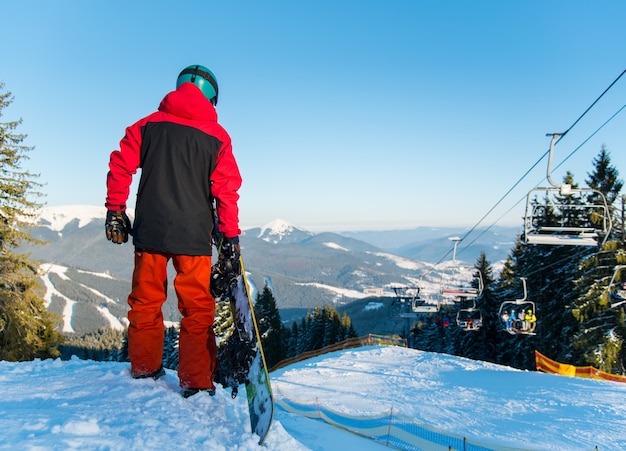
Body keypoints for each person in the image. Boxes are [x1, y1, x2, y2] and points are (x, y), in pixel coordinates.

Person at [104, 65, 242, 398]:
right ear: (212, 98)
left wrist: (115, 210)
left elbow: (120, 164)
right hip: (193, 238)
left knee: (146, 303)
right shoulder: (218, 137)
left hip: (150, 231)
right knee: (197, 310)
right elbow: (226, 190)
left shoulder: (148, 125)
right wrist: (229, 237)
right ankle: (196, 381)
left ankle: (144, 369)